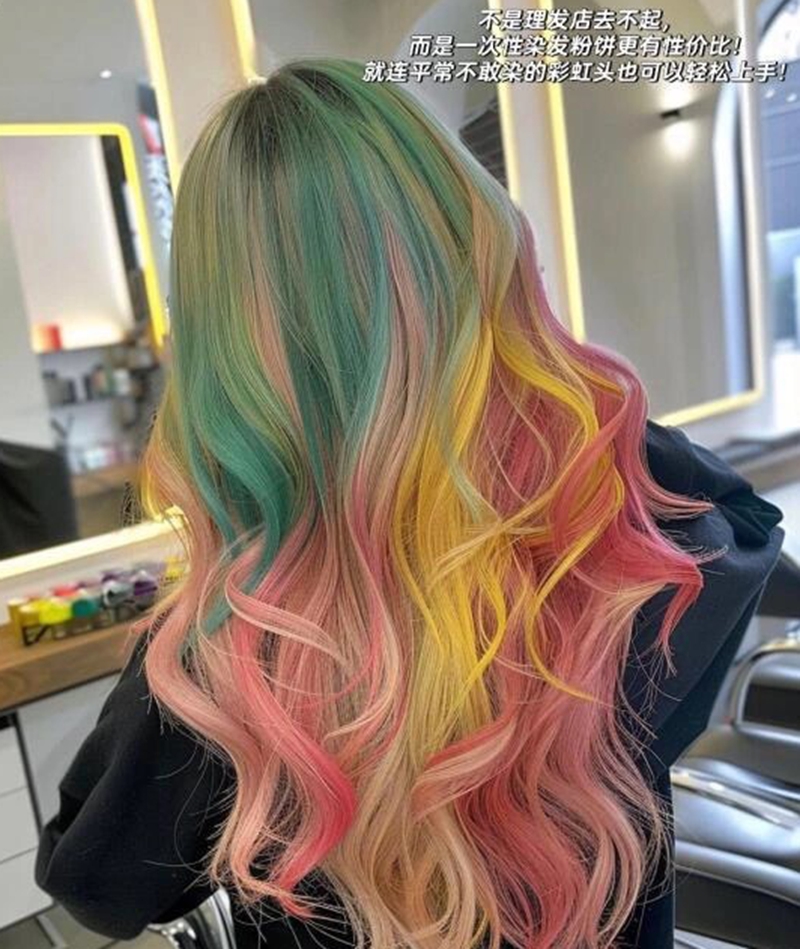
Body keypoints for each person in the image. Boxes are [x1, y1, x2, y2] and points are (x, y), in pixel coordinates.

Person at [35, 59, 784, 949]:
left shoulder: (239, 653)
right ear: (483, 246)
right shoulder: (650, 556)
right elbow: (747, 520)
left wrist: (200, 614)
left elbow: (96, 882)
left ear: (226, 345)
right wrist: (576, 414)